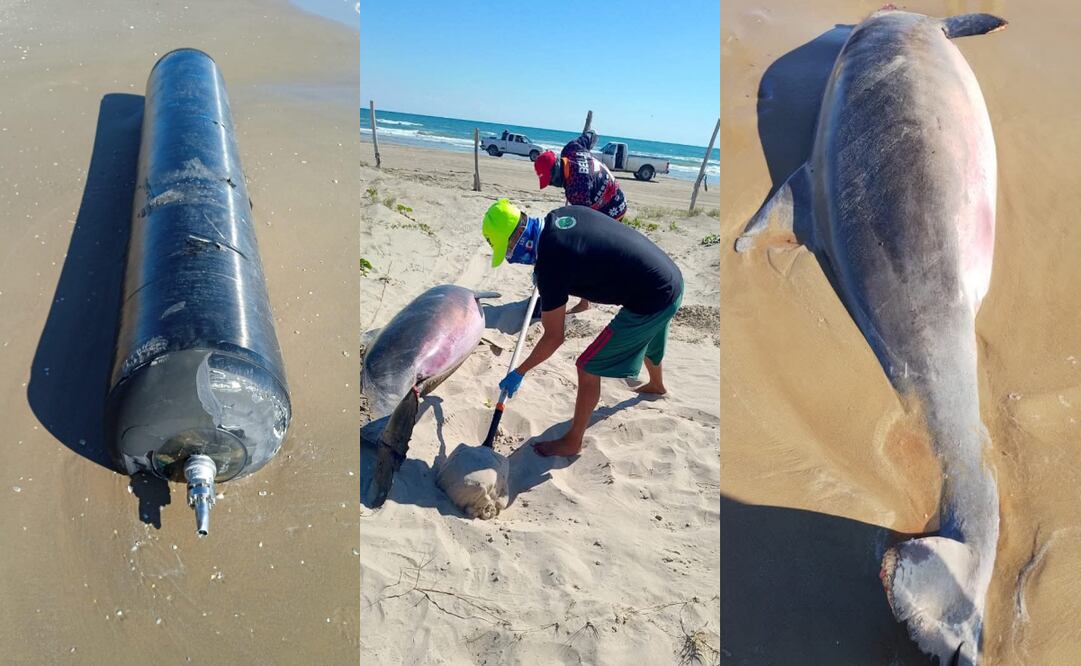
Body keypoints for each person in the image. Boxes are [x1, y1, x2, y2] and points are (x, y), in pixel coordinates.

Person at [481, 199, 683, 457]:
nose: (510, 259)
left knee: (587, 367)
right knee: (651, 336)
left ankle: (572, 442)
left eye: (508, 250)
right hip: (671, 279)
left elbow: (554, 337)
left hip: (652, 299)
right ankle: (656, 385)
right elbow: (585, 253)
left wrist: (519, 372)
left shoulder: (551, 266)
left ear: (520, 236)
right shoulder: (561, 216)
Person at [534, 130, 627, 222]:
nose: (552, 184)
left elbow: (584, 219)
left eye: (550, 182)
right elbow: (592, 135)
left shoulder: (575, 189)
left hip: (612, 209)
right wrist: (589, 133)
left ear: (556, 172)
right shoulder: (571, 148)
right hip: (617, 192)